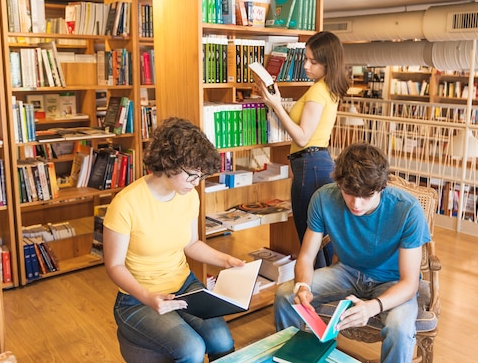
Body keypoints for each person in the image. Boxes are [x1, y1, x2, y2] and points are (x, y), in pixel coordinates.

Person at [273, 143, 432, 363]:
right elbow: (307, 257)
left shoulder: (407, 209)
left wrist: (373, 306)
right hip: (347, 271)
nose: (356, 204)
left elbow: (409, 282)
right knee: (285, 295)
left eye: (366, 196)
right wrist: (302, 286)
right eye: (348, 193)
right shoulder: (323, 198)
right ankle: (294, 358)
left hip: (392, 281)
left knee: (400, 327)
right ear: (339, 183)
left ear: (382, 187)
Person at [103, 116, 245, 363]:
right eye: (192, 176)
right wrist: (148, 297)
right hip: (137, 298)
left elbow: (192, 244)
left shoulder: (188, 195)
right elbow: (114, 266)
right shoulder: (125, 204)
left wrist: (226, 260)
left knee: (222, 341)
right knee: (191, 349)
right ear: (169, 164)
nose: (196, 184)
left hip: (184, 287)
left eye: (201, 176)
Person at [252, 30, 350, 267]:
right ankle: (324, 293)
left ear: (328, 63)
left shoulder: (317, 91)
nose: (305, 65)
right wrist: (275, 104)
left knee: (310, 240)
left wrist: (277, 105)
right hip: (318, 163)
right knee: (320, 239)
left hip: (310, 166)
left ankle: (315, 294)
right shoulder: (327, 88)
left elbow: (303, 137)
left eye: (313, 62)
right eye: (305, 59)